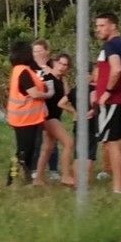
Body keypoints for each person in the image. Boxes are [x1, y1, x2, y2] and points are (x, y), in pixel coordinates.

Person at [94, 12, 121, 194]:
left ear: (113, 26)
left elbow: (116, 69)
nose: (98, 29)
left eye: (102, 26)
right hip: (118, 100)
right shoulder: (120, 44)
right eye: (97, 26)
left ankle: (118, 186)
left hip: (113, 101)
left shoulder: (111, 45)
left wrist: (106, 92)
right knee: (114, 142)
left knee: (113, 143)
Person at [6, 41, 50, 183]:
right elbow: (34, 93)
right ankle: (12, 178)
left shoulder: (19, 69)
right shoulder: (24, 71)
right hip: (25, 118)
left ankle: (23, 177)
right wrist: (47, 95)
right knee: (24, 151)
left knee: (25, 150)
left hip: (24, 117)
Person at [36, 51, 75, 186]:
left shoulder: (60, 80)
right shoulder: (47, 76)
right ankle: (65, 176)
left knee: (47, 148)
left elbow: (67, 96)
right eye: (60, 63)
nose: (62, 67)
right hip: (49, 117)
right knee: (68, 143)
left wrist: (63, 79)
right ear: (54, 62)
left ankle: (38, 179)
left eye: (65, 65)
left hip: (55, 117)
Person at [31, 40, 60, 180]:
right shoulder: (30, 67)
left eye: (39, 51)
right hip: (36, 108)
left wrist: (44, 66)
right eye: (34, 51)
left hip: (52, 107)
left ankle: (53, 169)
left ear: (47, 51)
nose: (36, 54)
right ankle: (35, 168)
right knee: (38, 139)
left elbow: (57, 78)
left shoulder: (52, 65)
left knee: (52, 139)